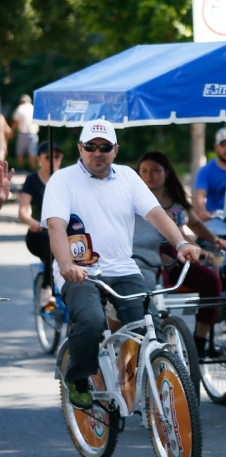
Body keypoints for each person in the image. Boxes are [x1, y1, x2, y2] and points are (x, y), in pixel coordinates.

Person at [41, 119, 201, 410]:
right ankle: (78, 378)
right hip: (81, 272)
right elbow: (56, 226)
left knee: (148, 328)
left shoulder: (128, 176)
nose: (97, 153)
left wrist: (181, 243)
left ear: (115, 150)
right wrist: (65, 264)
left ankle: (138, 383)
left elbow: (156, 214)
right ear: (80, 148)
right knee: (91, 322)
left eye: (104, 147)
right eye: (91, 146)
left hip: (124, 269)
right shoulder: (62, 180)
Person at [133, 151, 224, 358]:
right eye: (144, 171)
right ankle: (155, 340)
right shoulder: (136, 200)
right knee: (156, 292)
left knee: (212, 282)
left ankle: (200, 341)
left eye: (155, 170)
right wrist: (160, 256)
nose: (149, 175)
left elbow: (195, 224)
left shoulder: (176, 200)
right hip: (147, 255)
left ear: (166, 173)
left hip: (180, 252)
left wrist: (212, 241)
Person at [18, 142, 64, 307]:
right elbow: (23, 211)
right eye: (48, 157)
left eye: (57, 156)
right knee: (50, 238)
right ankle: (47, 288)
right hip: (40, 233)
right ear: (39, 159)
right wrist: (32, 223)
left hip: (63, 232)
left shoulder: (65, 179)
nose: (53, 160)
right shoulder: (32, 180)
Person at [193, 127, 226, 223]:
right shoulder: (206, 170)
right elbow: (200, 195)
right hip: (215, 220)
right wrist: (202, 212)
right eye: (223, 145)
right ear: (216, 147)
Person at [11, 95, 39, 170]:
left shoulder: (20, 108)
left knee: (20, 151)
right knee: (33, 151)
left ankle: (21, 167)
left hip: (23, 133)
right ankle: (32, 168)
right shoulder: (34, 108)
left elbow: (16, 121)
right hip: (33, 133)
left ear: (22, 101)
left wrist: (12, 131)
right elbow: (38, 122)